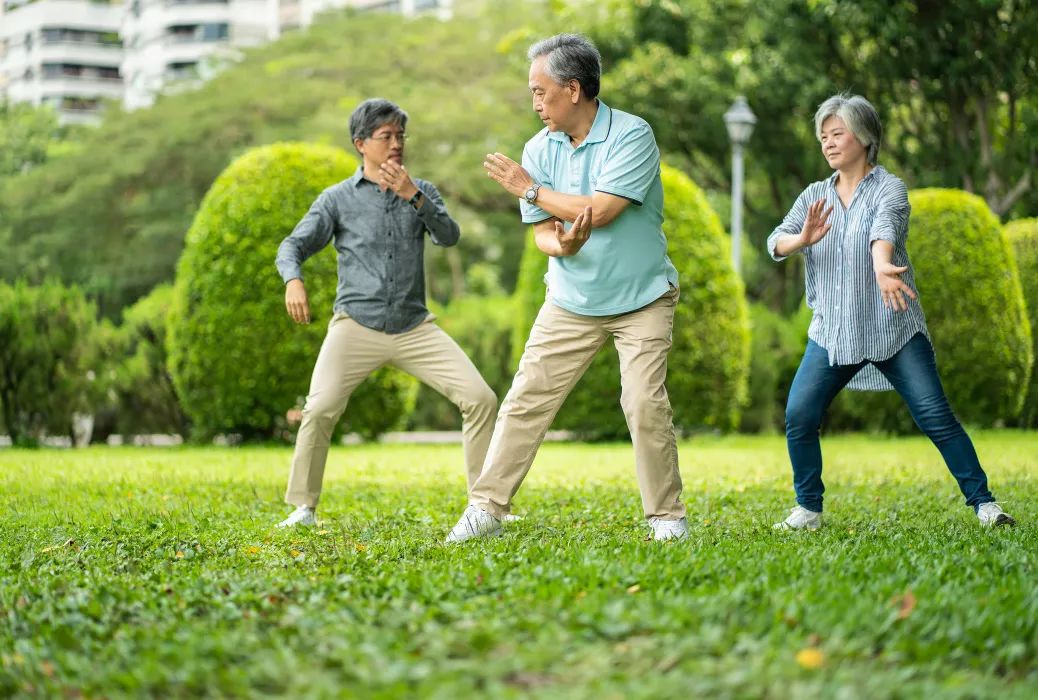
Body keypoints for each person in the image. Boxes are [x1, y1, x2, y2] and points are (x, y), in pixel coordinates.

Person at [445, 34, 688, 543]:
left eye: (541, 91)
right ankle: (486, 508)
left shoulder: (631, 135)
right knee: (525, 400)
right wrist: (566, 248)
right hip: (572, 300)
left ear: (573, 89)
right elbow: (543, 237)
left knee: (643, 402)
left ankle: (666, 517)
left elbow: (600, 211)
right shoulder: (538, 148)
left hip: (641, 297)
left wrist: (529, 189)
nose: (535, 103)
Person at [767, 93, 1016, 530]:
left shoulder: (890, 188)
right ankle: (808, 508)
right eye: (823, 136)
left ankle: (984, 504)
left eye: (837, 134)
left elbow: (885, 227)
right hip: (833, 331)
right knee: (799, 416)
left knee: (935, 417)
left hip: (892, 329)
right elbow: (775, 241)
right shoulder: (813, 196)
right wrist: (801, 238)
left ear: (863, 137)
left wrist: (882, 265)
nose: (828, 143)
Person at [273, 98, 497, 528]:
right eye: (386, 137)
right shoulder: (337, 199)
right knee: (319, 410)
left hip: (415, 326)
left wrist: (413, 195)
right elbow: (292, 246)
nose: (396, 144)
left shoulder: (422, 190)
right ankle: (303, 507)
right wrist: (293, 279)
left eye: (400, 136)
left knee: (481, 399)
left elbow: (449, 236)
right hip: (355, 324)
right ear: (361, 143)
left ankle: (485, 504)